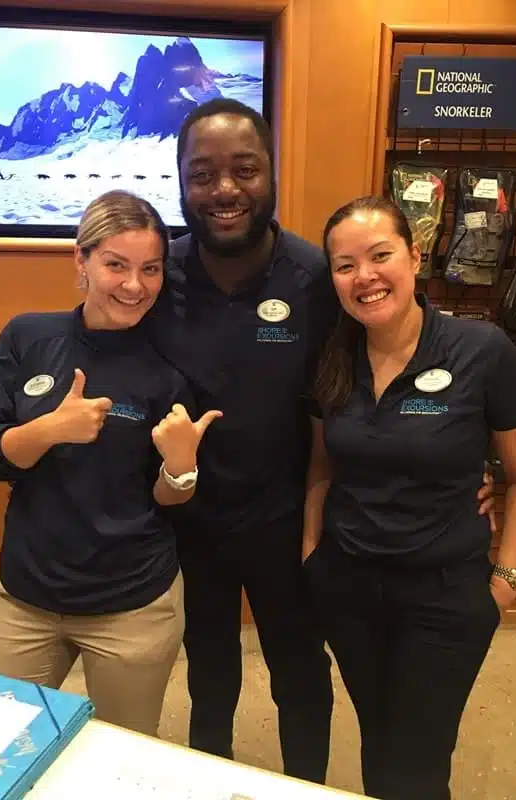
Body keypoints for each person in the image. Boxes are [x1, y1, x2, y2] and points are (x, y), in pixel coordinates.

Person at [146, 98, 496, 784]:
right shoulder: (159, 275)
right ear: (181, 182)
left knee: (300, 675)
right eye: (203, 173)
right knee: (209, 676)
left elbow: (375, 384)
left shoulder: (315, 279)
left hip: (288, 522)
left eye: (244, 169)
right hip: (187, 522)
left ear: (271, 174)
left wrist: (466, 467)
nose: (224, 190)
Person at [302, 195, 516, 800]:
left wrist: (508, 576)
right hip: (348, 588)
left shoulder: (482, 352)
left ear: (414, 253)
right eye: (345, 265)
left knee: (419, 760)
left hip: (444, 597)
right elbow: (324, 464)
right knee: (380, 740)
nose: (366, 277)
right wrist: (312, 556)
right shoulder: (334, 354)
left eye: (380, 256)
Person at [0, 190, 221, 736]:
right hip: (26, 596)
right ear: (80, 261)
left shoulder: (172, 365)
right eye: (116, 265)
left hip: (131, 606)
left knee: (122, 761)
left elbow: (170, 498)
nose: (134, 286)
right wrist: (47, 430)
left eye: (150, 269)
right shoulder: (28, 336)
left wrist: (181, 467)